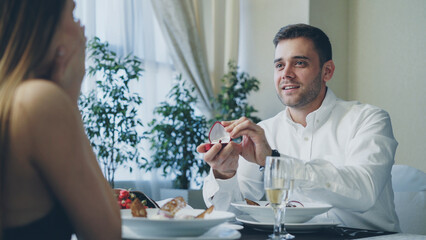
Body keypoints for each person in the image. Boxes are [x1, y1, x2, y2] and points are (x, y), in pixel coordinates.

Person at [197, 23, 400, 232]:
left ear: (327, 71)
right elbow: (234, 217)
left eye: (299, 63)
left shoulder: (369, 119)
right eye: (279, 65)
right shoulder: (263, 133)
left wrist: (274, 162)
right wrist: (225, 174)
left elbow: (363, 192)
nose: (286, 73)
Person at [0, 0, 121, 239]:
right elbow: (107, 233)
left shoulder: (11, 99)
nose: (82, 29)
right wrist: (70, 99)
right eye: (73, 14)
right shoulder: (39, 101)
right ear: (44, 23)